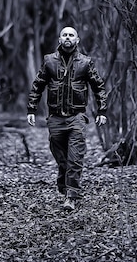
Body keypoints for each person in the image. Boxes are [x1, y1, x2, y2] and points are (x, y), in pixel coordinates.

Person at [27, 26, 108, 211]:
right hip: (55, 118)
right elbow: (38, 85)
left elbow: (99, 87)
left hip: (77, 118)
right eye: (65, 35)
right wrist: (31, 109)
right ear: (60, 39)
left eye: (71, 35)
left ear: (77, 40)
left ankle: (71, 196)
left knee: (75, 158)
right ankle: (64, 181)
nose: (68, 38)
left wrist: (102, 111)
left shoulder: (85, 62)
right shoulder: (49, 61)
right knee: (62, 159)